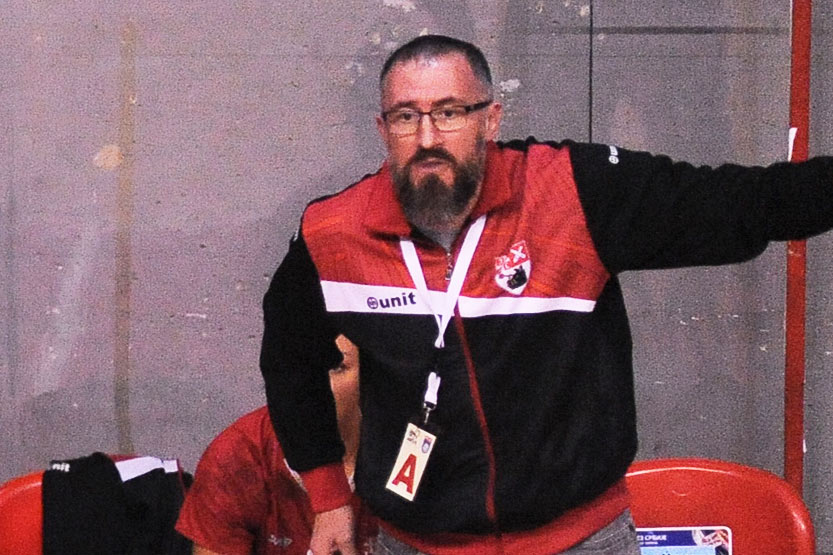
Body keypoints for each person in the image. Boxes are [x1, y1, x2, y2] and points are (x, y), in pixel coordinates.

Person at [259, 34, 833, 555]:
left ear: (490, 119)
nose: (428, 138)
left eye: (450, 113)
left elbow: (747, 203)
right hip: (416, 544)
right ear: (383, 130)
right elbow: (289, 361)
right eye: (407, 117)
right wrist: (329, 496)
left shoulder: (573, 192)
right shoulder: (332, 232)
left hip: (582, 539)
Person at [176, 336, 374, 555]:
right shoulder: (236, 457)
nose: (311, 385)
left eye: (335, 366)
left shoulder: (400, 456)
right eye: (297, 364)